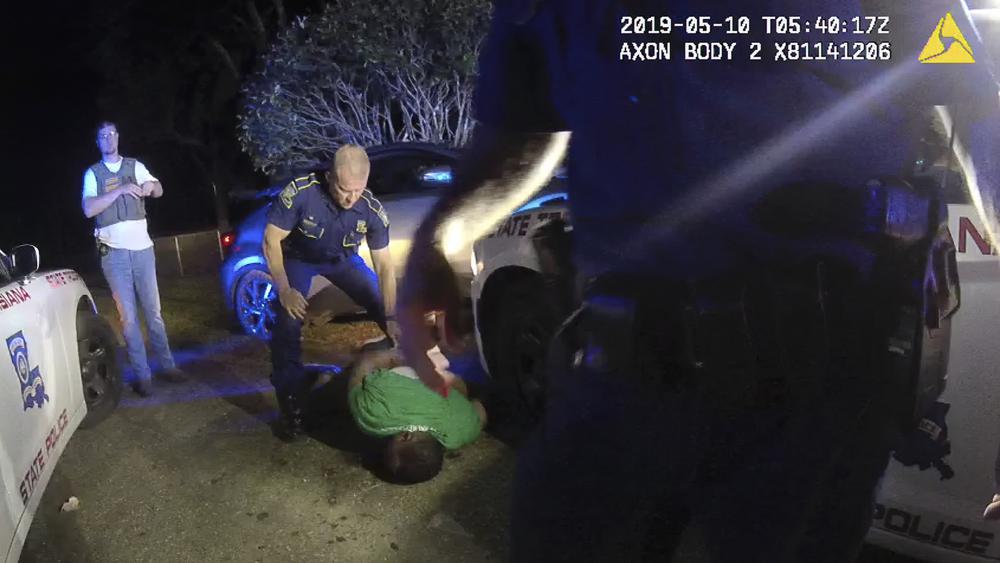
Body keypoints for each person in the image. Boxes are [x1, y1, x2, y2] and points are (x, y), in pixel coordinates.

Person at [398, 1, 998, 561]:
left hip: (813, 407)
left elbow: (982, 117)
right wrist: (439, 237)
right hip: (612, 385)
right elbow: (525, 129)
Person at [264, 144, 400, 440]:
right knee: (287, 322)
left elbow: (386, 269)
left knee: (387, 308)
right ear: (329, 177)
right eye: (343, 189)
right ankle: (292, 405)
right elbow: (270, 241)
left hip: (343, 261)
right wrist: (284, 288)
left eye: (358, 190)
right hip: (299, 259)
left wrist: (390, 315)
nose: (351, 198)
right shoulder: (301, 192)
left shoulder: (371, 208)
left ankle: (406, 378)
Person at [81, 121, 186, 397]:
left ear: (118, 137)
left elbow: (159, 189)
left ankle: (168, 366)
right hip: (113, 254)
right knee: (128, 318)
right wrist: (119, 190)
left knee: (154, 313)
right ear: (97, 142)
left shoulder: (134, 166)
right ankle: (143, 376)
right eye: (102, 135)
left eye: (112, 134)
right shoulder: (93, 174)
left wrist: (150, 186)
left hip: (143, 250)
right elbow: (89, 209)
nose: (108, 139)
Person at [346, 341, 487, 484]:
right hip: (407, 366)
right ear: (406, 436)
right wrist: (396, 355)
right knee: (372, 353)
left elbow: (479, 408)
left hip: (445, 374)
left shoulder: (463, 434)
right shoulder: (369, 418)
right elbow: (364, 365)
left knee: (460, 390)